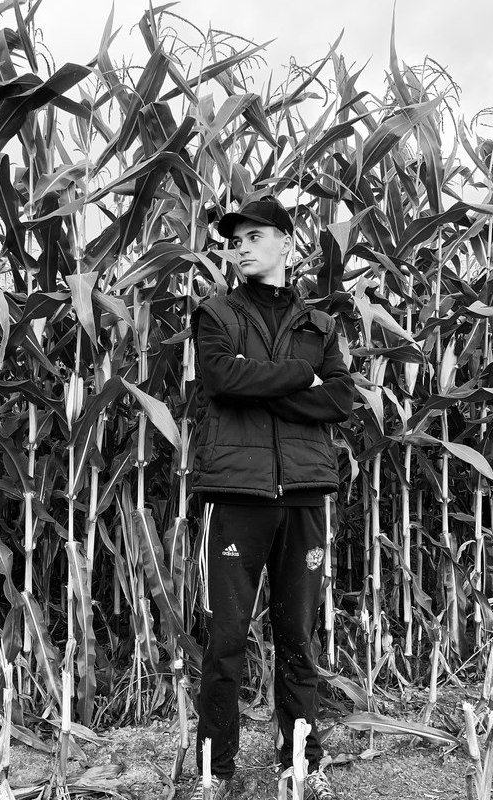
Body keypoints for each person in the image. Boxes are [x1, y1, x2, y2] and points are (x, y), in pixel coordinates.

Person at [188, 197, 354, 800]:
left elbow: (340, 400)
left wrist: (262, 381)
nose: (241, 247)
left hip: (304, 493)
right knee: (226, 640)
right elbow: (222, 379)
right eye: (234, 241)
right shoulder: (216, 313)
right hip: (237, 492)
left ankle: (301, 763)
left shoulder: (320, 325)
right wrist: (301, 377)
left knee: (298, 638)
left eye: (255, 236)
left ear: (286, 242)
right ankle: (216, 771)